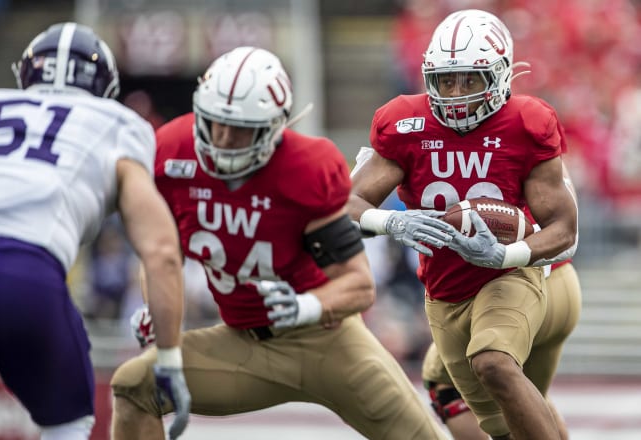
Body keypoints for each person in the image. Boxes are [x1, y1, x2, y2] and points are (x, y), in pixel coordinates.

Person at [110, 46, 448, 440]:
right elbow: (162, 254)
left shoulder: (305, 168)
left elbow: (359, 285)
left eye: (240, 130)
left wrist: (303, 305)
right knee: (134, 385)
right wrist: (159, 311)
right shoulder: (172, 153)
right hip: (243, 344)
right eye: (216, 123)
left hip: (328, 340)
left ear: (274, 128)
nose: (222, 139)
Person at [348, 9, 578, 440]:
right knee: (511, 414)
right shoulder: (405, 122)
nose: (455, 93)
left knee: (493, 364)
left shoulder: (527, 122)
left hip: (528, 276)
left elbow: (565, 232)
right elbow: (343, 203)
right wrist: (392, 224)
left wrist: (507, 253)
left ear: (502, 76)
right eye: (445, 80)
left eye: (471, 80)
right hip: (450, 292)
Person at [0, 23, 190, 440]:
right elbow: (162, 251)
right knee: (69, 423)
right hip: (25, 274)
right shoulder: (117, 123)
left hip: (22, 266)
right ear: (105, 87)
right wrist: (168, 360)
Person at [420, 162, 582, 440]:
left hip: (517, 285)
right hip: (562, 281)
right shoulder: (531, 124)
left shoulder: (523, 123)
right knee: (526, 395)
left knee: (456, 384)